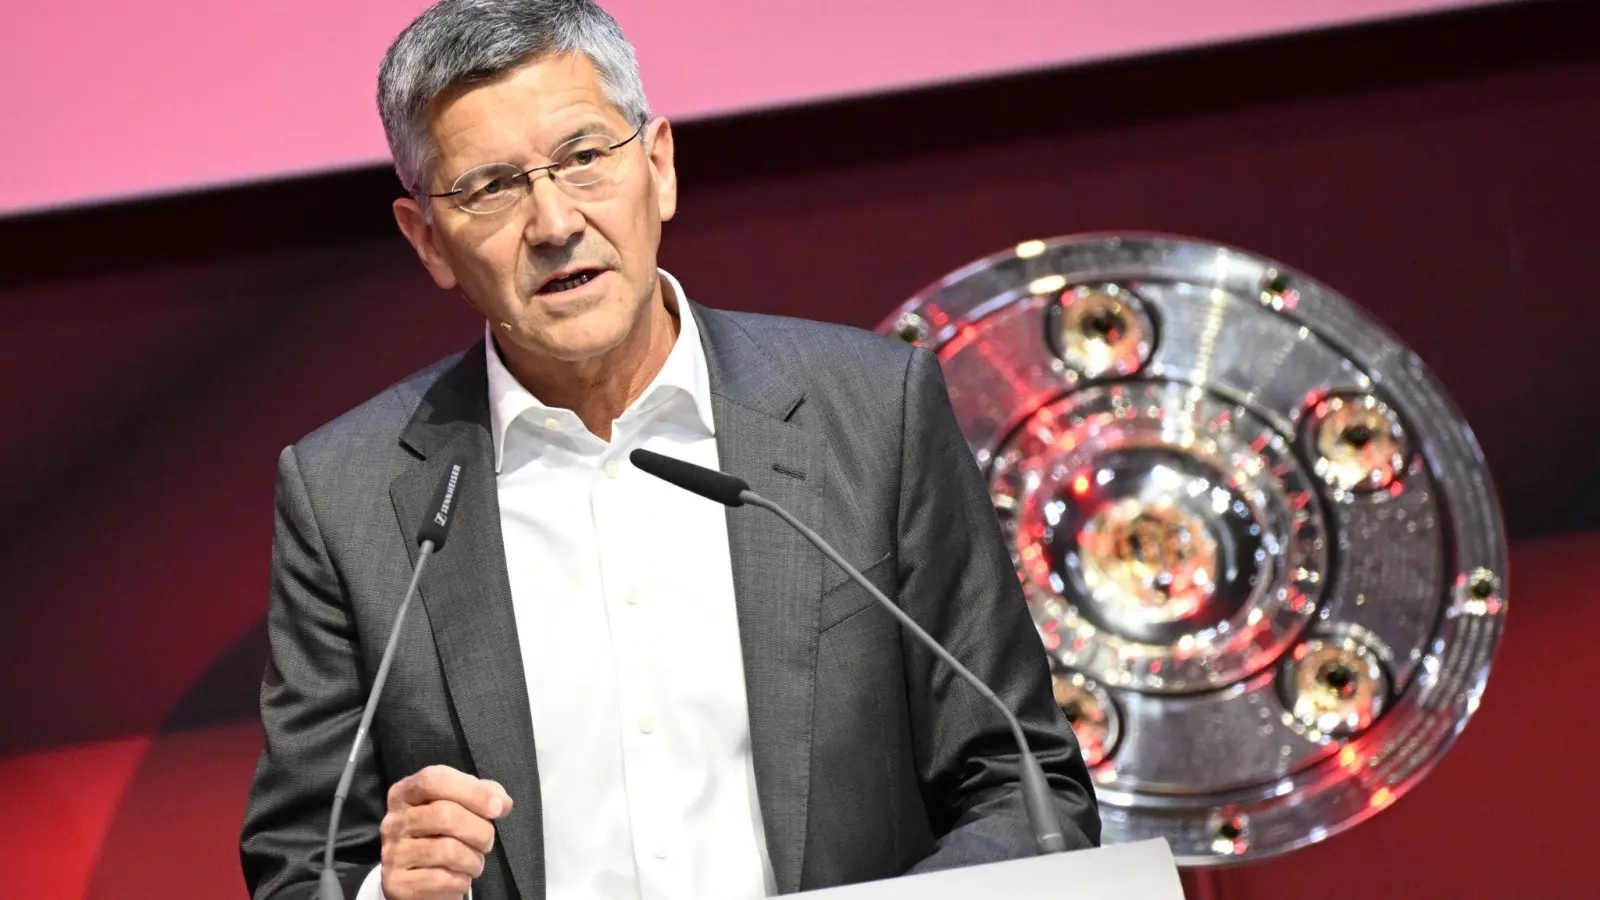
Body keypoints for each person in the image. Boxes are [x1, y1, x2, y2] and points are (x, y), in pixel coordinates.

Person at [238, 1, 1100, 898]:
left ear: (659, 167)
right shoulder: (348, 496)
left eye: (583, 160)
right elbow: (300, 867)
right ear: (428, 243)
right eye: (490, 188)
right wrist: (387, 892)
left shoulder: (873, 412)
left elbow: (1024, 786)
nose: (553, 223)